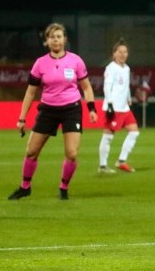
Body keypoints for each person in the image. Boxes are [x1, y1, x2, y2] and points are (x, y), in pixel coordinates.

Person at [8, 23, 98, 200]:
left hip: (71, 109)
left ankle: (64, 187)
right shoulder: (40, 63)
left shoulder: (76, 61)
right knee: (31, 152)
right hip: (48, 109)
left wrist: (91, 108)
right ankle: (25, 187)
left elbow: (86, 87)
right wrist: (21, 118)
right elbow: (31, 92)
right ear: (46, 41)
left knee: (71, 154)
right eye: (52, 37)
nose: (55, 40)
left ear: (64, 39)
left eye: (58, 36)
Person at [98, 39, 140, 174]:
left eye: (125, 52)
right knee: (108, 136)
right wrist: (109, 104)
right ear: (114, 54)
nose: (123, 54)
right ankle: (103, 166)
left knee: (134, 132)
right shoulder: (111, 68)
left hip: (124, 108)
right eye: (120, 52)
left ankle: (121, 161)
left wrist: (128, 98)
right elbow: (107, 87)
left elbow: (126, 85)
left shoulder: (127, 68)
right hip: (114, 107)